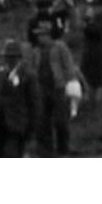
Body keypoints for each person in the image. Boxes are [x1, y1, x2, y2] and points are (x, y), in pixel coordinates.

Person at [0, 39, 40, 157]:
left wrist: (32, 129)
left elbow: (34, 103)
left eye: (12, 57)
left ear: (18, 58)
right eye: (7, 57)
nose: (9, 60)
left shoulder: (28, 75)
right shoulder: (0, 74)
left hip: (18, 125)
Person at [35, 19, 81, 157]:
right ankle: (46, 149)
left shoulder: (60, 47)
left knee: (61, 121)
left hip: (58, 87)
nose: (39, 38)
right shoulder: (37, 51)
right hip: (43, 88)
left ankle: (63, 148)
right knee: (44, 120)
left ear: (48, 35)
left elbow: (68, 66)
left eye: (42, 35)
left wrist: (71, 82)